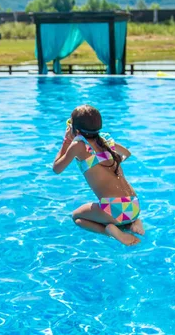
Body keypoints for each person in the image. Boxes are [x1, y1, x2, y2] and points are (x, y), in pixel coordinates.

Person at [53, 105, 144, 246]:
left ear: (75, 129)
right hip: (134, 204)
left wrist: (66, 141)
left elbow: (57, 168)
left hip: (115, 209)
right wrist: (114, 162)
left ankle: (111, 231)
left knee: (77, 217)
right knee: (116, 214)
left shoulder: (78, 145)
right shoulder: (106, 140)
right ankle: (132, 223)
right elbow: (127, 154)